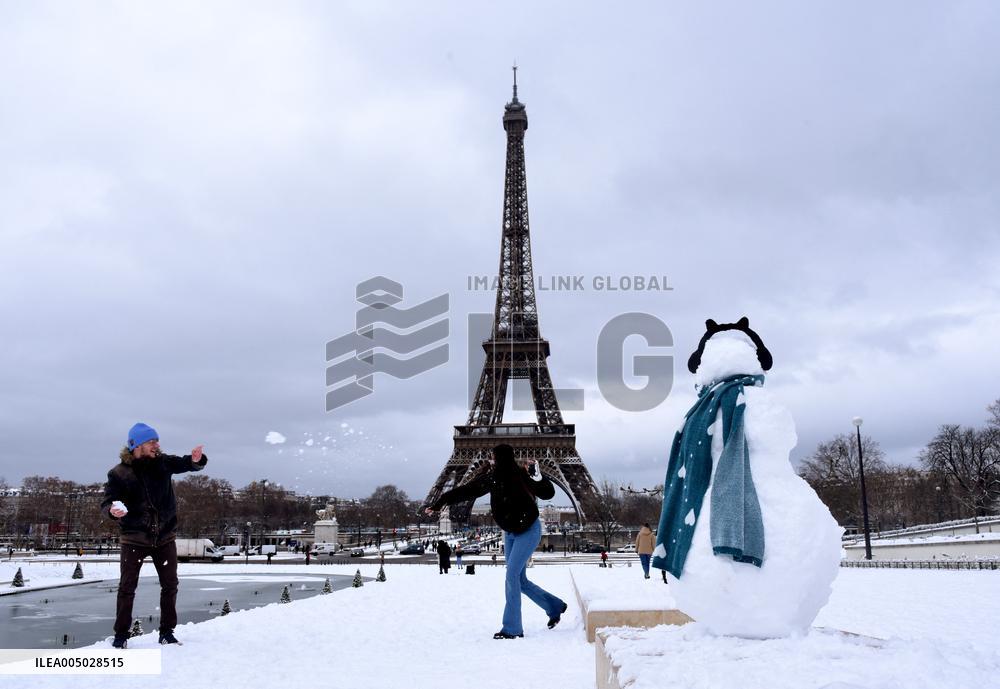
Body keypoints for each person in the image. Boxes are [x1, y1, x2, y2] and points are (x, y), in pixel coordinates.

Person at [425, 444, 567, 639]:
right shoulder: (493, 477)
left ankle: (512, 628)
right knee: (519, 580)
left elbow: (547, 494)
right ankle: (554, 606)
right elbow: (467, 490)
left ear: (498, 458)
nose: (490, 459)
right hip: (510, 532)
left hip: (528, 531)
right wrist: (440, 501)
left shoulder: (520, 475)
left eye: (492, 456)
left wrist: (539, 477)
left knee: (511, 577)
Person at [101, 423, 208, 648]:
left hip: (164, 537)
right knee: (127, 588)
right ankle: (121, 636)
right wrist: (112, 510)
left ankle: (167, 632)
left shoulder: (162, 462)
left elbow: (184, 463)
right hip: (134, 539)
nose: (157, 445)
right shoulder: (119, 473)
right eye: (152, 441)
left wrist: (195, 460)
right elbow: (107, 501)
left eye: (157, 441)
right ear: (136, 445)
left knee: (170, 584)